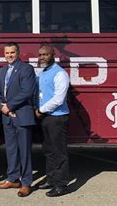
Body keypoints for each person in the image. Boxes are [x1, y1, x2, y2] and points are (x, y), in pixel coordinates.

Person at [0, 42, 36, 197]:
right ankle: (13, 178)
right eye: (7, 53)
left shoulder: (26, 69)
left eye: (12, 52)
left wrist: (10, 106)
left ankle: (26, 183)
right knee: (11, 150)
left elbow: (27, 91)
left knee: (24, 151)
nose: (9, 55)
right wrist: (2, 107)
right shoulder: (3, 70)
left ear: (18, 53)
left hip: (22, 116)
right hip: (7, 117)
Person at [35, 45, 70, 197]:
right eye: (40, 55)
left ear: (53, 55)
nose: (42, 57)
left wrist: (41, 110)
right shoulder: (43, 73)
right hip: (46, 117)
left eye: (45, 54)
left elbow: (58, 99)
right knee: (49, 150)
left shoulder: (60, 73)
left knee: (58, 152)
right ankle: (51, 179)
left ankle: (61, 185)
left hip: (57, 117)